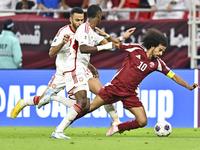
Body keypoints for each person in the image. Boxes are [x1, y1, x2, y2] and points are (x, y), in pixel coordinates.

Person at [43, 28, 199, 138]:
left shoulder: (157, 63)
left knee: (142, 121)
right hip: (114, 88)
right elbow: (118, 45)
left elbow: (173, 76)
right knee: (87, 109)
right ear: (152, 46)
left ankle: (118, 126)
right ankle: (60, 128)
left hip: (130, 93)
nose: (161, 53)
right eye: (160, 50)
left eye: (163, 51)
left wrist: (188, 86)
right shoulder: (136, 49)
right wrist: (110, 37)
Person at [10, 7, 121, 138]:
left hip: (80, 68)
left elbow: (81, 51)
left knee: (102, 92)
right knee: (44, 99)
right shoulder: (63, 32)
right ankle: (23, 103)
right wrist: (62, 43)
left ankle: (116, 121)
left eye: (81, 19)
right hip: (63, 71)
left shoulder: (84, 30)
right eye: (76, 20)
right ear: (70, 19)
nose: (79, 22)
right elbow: (51, 53)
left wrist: (90, 65)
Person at [38, 4, 136, 139]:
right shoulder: (83, 28)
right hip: (74, 68)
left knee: (84, 105)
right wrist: (105, 47)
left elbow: (107, 43)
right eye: (101, 17)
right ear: (98, 16)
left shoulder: (90, 30)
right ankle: (58, 130)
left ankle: (53, 100)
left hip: (81, 69)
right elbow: (84, 48)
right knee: (83, 102)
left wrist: (122, 39)